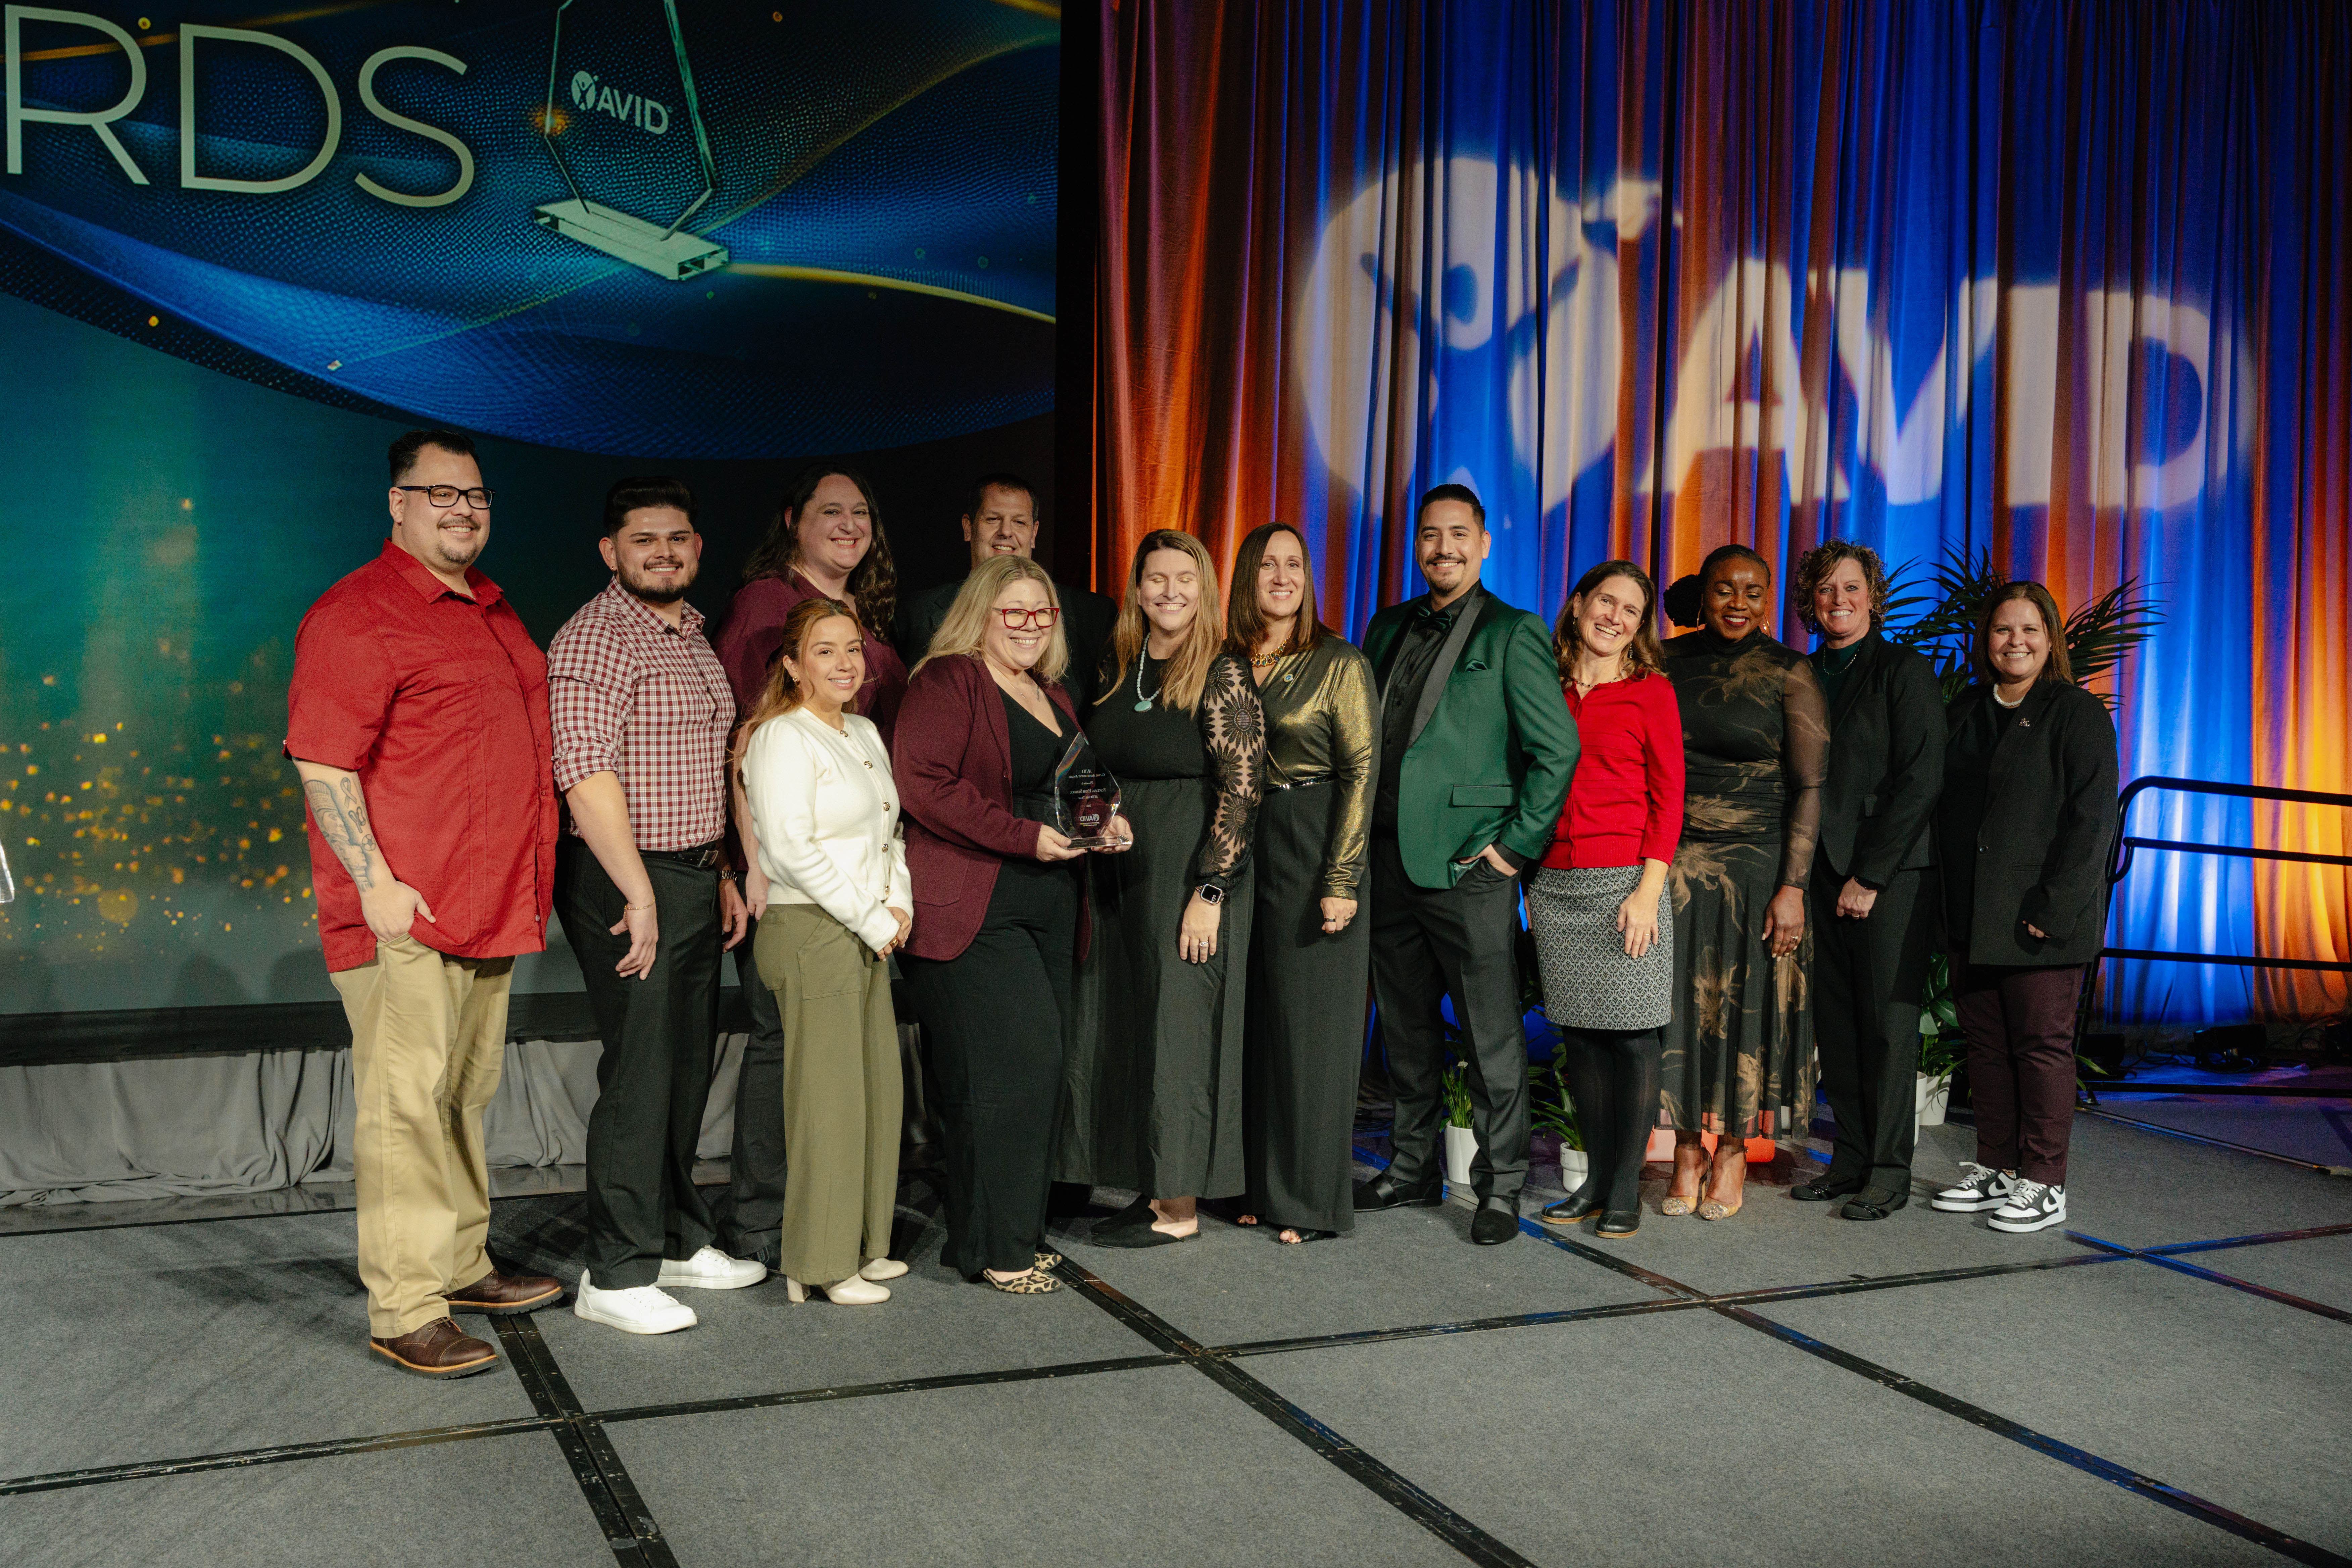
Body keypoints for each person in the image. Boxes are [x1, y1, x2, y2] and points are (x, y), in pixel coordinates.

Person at [285, 429, 562, 1379]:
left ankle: (457, 1263)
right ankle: (405, 1307)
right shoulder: (357, 614)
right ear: (396, 504)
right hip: (405, 916)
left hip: (487, 908)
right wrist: (377, 888)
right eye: (438, 493)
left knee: (459, 1097)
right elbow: (324, 761)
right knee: (405, 1109)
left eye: (477, 496)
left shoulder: (488, 606)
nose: (462, 509)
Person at [549, 477, 768, 1337]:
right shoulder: (597, 638)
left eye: (678, 538)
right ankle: (616, 1269)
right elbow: (585, 770)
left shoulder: (691, 633)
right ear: (612, 552)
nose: (664, 552)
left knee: (682, 1066)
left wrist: (715, 868)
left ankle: (675, 1236)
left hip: (686, 875)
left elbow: (700, 763)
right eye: (645, 540)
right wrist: (639, 891)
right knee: (640, 1076)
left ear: (698, 548)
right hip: (621, 878)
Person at [1352, 484, 1579, 1247]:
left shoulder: (1513, 632)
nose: (1442, 547)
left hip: (1469, 868)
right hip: (1386, 863)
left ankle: (1501, 1187)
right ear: (1416, 545)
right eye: (1429, 534)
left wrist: (1512, 849)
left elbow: (1558, 750)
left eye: (1457, 534)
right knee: (1406, 1030)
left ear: (1484, 544)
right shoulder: (1385, 627)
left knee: (1490, 1038)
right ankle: (1413, 1163)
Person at [896, 556, 1131, 1292]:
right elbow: (924, 785)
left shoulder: (1052, 693)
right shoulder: (948, 679)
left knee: (1033, 1071)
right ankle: (1003, 1250)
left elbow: (1074, 788)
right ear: (982, 614)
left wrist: (1107, 825)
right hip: (976, 907)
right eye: (1014, 612)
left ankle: (997, 1232)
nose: (1030, 625)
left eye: (1042, 613)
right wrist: (1024, 836)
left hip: (1052, 900)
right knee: (1011, 1072)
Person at [709, 467, 906, 1268]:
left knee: (844, 1074)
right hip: (790, 890)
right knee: (782, 1052)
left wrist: (891, 899)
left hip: (858, 883)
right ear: (793, 520)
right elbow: (740, 735)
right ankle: (764, 1226)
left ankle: (841, 1232)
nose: (849, 524)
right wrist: (739, 863)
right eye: (831, 511)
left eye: (861, 511)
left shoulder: (868, 620)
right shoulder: (765, 603)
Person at [1061, 530, 1264, 1245]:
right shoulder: (1119, 663)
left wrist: (1211, 890)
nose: (1170, 591)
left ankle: (1177, 1207)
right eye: (1156, 578)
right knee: (1122, 1025)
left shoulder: (1223, 669)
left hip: (1188, 867)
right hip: (1116, 869)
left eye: (1185, 578)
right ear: (1137, 589)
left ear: (1204, 589)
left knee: (1179, 1030)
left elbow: (1242, 788)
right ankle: (1143, 1182)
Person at [736, 598, 913, 1304]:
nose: (845, 663)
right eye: (824, 651)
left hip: (865, 927)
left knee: (875, 1090)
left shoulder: (865, 729)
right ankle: (820, 1262)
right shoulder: (782, 736)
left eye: (852, 648)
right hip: (812, 929)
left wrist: (898, 899)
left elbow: (888, 829)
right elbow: (789, 848)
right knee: (828, 1101)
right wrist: (873, 918)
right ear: (791, 664)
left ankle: (866, 1246)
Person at [1929, 582, 2117, 1234]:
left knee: (2040, 1048)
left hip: (2037, 917)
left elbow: (2093, 820)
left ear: (2052, 638)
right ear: (1987, 639)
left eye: (2029, 630)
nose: (2016, 642)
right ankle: (2000, 1167)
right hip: (1973, 913)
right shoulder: (1968, 711)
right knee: (1986, 1047)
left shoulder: (2076, 712)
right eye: (2003, 630)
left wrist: (2056, 906)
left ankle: (2044, 1182)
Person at [1658, 544, 1829, 1222]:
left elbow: (1812, 786)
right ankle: (1684, 1151)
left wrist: (1794, 886)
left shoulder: (1791, 672)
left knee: (1743, 1009)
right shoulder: (1667, 661)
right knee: (1677, 1010)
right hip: (1672, 863)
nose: (1738, 601)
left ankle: (1730, 1148)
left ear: (1768, 599)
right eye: (1724, 588)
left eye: (1753, 591)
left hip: (1758, 865)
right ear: (1702, 594)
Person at [1224, 523, 1376, 1245]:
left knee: (1312, 1031)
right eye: (1268, 564)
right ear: (1247, 574)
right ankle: (1257, 1183)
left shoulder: (1339, 660)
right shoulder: (1225, 659)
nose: (1282, 575)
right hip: (1243, 842)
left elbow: (1362, 772)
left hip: (1315, 837)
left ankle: (1311, 1200)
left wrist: (1342, 875)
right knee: (1255, 1022)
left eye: (1295, 563)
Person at [1790, 542, 1946, 1222]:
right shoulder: (1798, 671)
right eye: (1826, 590)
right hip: (1816, 868)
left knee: (1886, 1025)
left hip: (1888, 877)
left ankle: (1888, 1169)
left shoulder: (1901, 670)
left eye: (1851, 587)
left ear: (1872, 595)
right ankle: (1850, 1158)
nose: (1839, 600)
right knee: (1839, 1024)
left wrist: (1871, 873)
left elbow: (1921, 780)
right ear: (1811, 602)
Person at [1529, 561, 1682, 1241]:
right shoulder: (1545, 684)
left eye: (1631, 609)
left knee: (1631, 1039)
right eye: (1606, 601)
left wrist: (1647, 891)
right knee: (1583, 1040)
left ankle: (1625, 1188)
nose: (1615, 617)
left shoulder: (1651, 692)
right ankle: (1593, 1180)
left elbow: (1669, 796)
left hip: (1625, 884)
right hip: (1555, 883)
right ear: (1580, 603)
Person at [894, 473, 1119, 708]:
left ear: (1034, 534)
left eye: (1020, 522)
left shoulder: (1093, 615)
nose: (1006, 532)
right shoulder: (915, 614)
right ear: (968, 527)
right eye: (993, 519)